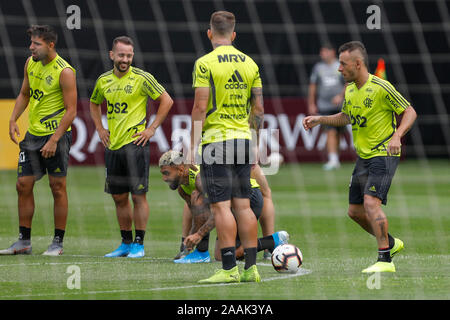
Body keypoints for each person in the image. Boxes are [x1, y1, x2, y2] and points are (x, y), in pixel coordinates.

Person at [303, 41, 417, 273]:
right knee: (354, 212)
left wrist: (397, 136)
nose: (339, 69)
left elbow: (410, 111)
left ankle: (385, 261)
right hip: (363, 157)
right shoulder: (351, 89)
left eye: (343, 64)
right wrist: (320, 119)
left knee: (370, 203)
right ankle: (392, 243)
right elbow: (346, 117)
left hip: (383, 153)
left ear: (358, 63)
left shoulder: (380, 87)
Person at [190, 11, 264, 283]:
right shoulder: (251, 64)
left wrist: (191, 144)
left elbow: (200, 107)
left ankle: (229, 269)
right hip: (243, 140)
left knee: (222, 207)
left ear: (209, 33)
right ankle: (251, 269)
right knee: (243, 205)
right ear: (233, 35)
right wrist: (253, 144)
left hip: (216, 142)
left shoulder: (204, 63)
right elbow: (259, 110)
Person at [89, 36, 173, 258]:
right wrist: (100, 128)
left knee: (138, 196)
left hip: (135, 145)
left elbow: (167, 100)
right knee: (118, 197)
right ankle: (125, 243)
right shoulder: (103, 80)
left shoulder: (142, 78)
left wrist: (151, 129)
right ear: (112, 55)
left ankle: (139, 243)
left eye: (128, 55)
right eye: (121, 55)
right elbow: (94, 102)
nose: (125, 59)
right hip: (113, 146)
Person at [0, 25, 77, 256]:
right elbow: (25, 93)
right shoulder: (30, 63)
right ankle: (23, 241)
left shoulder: (65, 72)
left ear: (50, 45)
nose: (31, 47)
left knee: (57, 187)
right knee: (22, 184)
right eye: (31, 43)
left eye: (36, 44)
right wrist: (13, 118)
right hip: (32, 135)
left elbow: (71, 111)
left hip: (56, 136)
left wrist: (54, 139)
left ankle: (57, 243)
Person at [158, 150, 288, 264]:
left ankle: (274, 240)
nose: (164, 178)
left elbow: (219, 211)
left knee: (223, 255)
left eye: (166, 173)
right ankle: (272, 240)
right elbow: (197, 216)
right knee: (224, 253)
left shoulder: (200, 179)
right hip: (232, 202)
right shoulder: (182, 188)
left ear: (180, 170)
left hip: (248, 198)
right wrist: (186, 247)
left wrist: (198, 235)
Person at [308, 43, 346, 170]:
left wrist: (341, 96)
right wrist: (311, 103)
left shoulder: (340, 66)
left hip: (340, 106)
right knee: (330, 131)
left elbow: (348, 83)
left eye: (324, 51)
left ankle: (335, 158)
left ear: (332, 52)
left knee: (338, 133)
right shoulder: (318, 68)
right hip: (324, 105)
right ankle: (333, 159)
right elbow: (313, 86)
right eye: (321, 52)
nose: (322, 54)